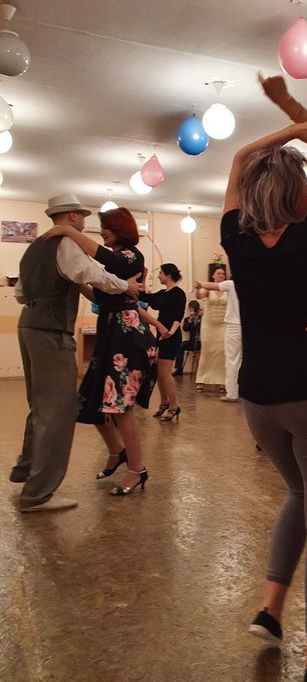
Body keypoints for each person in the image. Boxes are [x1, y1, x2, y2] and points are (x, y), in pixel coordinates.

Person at [221, 74, 307, 682]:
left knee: (298, 493)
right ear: (299, 192)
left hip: (259, 400)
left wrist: (285, 127)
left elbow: (237, 158)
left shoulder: (235, 241)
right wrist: (299, 120)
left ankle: (270, 608)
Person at [10, 193, 142, 512]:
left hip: (28, 325)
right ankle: (38, 494)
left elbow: (20, 294)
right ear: (72, 216)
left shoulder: (34, 247)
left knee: (40, 406)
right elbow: (92, 274)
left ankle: (26, 469)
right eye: (82, 216)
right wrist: (126, 287)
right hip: (52, 330)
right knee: (58, 411)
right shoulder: (67, 242)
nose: (85, 222)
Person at [43, 207, 157, 496]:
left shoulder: (131, 255)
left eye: (106, 226)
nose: (102, 231)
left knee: (120, 407)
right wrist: (76, 282)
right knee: (89, 402)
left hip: (126, 336)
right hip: (110, 332)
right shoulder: (115, 265)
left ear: (120, 228)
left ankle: (137, 469)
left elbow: (107, 258)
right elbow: (102, 296)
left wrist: (67, 231)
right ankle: (116, 452)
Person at [140, 263, 187, 421]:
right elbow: (144, 297)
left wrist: (170, 332)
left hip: (171, 336)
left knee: (165, 373)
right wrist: (144, 278)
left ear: (169, 275)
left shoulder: (178, 293)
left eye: (161, 273)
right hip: (161, 335)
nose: (159, 276)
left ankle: (174, 407)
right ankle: (164, 402)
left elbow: (178, 316)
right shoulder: (162, 293)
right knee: (159, 373)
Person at [195, 277, 241, 402]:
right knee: (238, 359)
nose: (221, 275)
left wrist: (200, 283)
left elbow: (211, 285)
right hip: (221, 324)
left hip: (232, 325)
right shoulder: (251, 285)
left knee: (231, 359)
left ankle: (232, 393)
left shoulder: (231, 284)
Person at [194, 266, 227, 392]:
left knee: (222, 351)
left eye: (223, 273)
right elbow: (199, 296)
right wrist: (197, 289)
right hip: (209, 324)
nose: (221, 275)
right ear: (213, 275)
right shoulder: (208, 288)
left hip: (223, 324)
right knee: (207, 350)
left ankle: (222, 382)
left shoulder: (227, 288)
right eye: (218, 273)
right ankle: (201, 380)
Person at [172, 300, 201, 376]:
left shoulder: (201, 318)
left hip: (200, 342)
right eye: (190, 309)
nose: (192, 311)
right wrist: (190, 320)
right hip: (192, 342)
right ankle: (179, 369)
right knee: (180, 345)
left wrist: (199, 318)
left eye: (193, 310)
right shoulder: (187, 319)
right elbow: (185, 329)